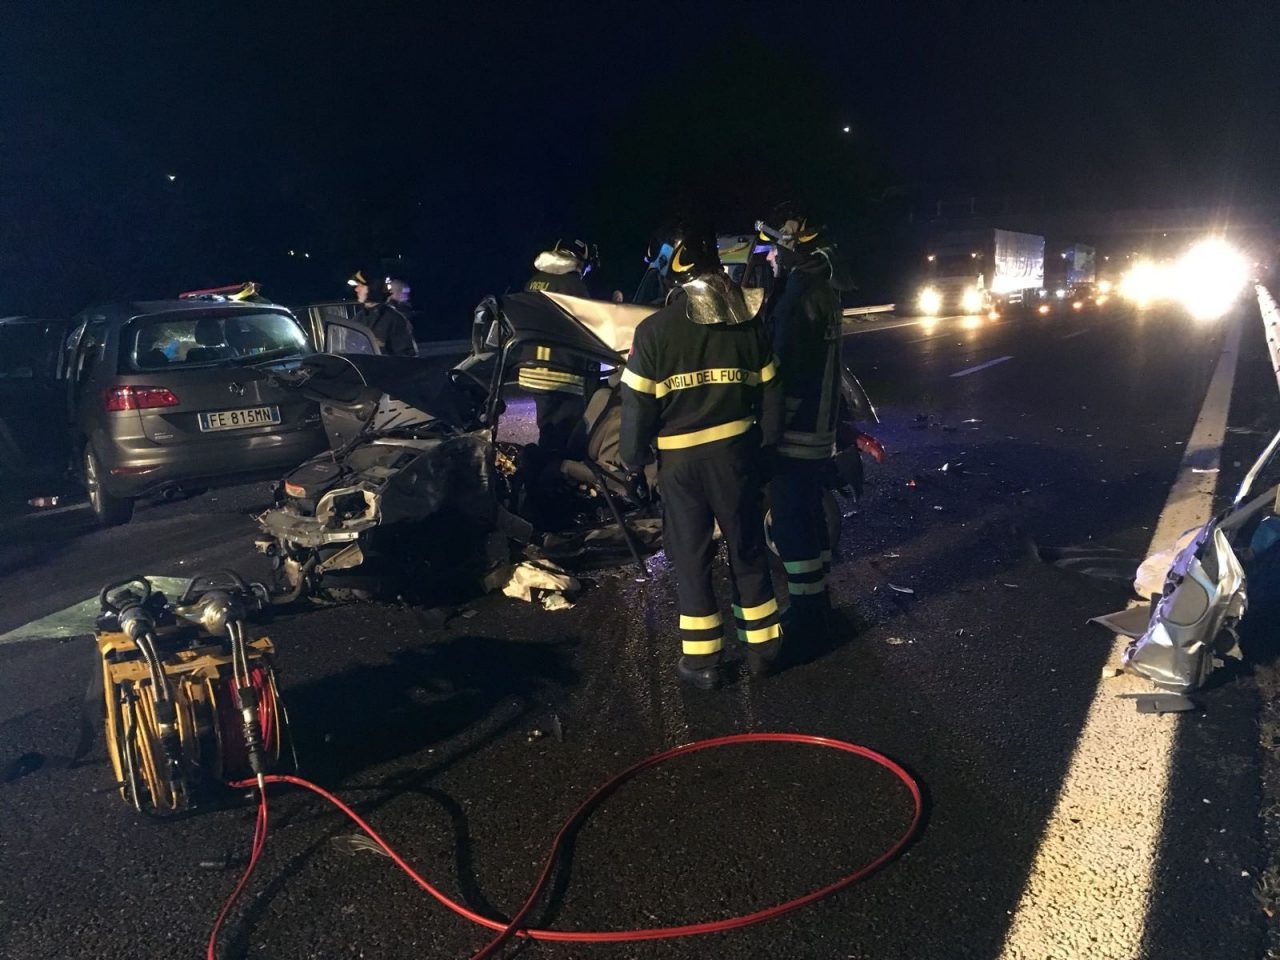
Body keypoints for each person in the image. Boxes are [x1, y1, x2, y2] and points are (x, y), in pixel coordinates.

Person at [619, 222, 783, 689]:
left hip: (680, 468)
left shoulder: (652, 333)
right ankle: (764, 651)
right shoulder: (748, 325)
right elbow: (772, 393)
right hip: (736, 457)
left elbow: (635, 409)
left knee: (690, 559)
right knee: (747, 548)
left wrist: (633, 463)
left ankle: (701, 665)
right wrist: (767, 448)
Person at [759, 212, 854, 647]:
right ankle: (818, 604)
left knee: (792, 523)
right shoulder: (825, 289)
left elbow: (778, 369)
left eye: (776, 249)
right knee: (811, 517)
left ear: (790, 251)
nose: (772, 257)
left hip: (794, 430)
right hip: (820, 429)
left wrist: (768, 431)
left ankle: (806, 613)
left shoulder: (798, 293)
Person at [520, 241, 600, 453]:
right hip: (563, 372)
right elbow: (587, 330)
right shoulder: (574, 286)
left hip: (532, 368)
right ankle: (557, 478)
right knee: (566, 437)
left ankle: (541, 471)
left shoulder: (534, 282)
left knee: (547, 429)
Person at [347, 269, 417, 357]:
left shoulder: (394, 319)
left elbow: (406, 357)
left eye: (361, 286)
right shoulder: (359, 317)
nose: (356, 289)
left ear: (372, 288)